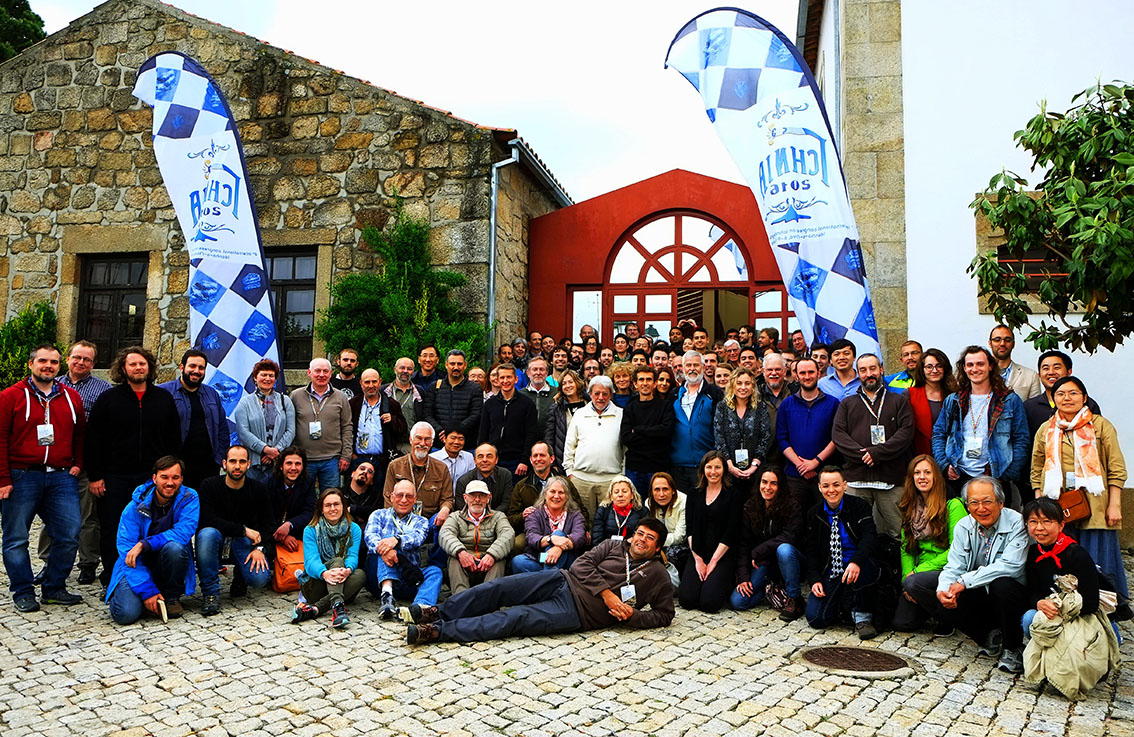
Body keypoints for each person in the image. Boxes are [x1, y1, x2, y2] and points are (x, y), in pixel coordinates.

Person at [404, 519, 674, 644]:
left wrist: (633, 617)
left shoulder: (658, 575)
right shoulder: (613, 546)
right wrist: (608, 595)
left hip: (576, 613)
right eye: (639, 533)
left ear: (658, 546)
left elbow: (665, 615)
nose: (641, 540)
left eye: (649, 538)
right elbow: (581, 564)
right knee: (500, 587)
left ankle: (438, 631)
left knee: (513, 619)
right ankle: (439, 611)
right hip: (560, 580)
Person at [0, 344, 86, 612]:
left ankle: (54, 587)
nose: (48, 366)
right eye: (43, 361)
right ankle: (23, 591)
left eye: (54, 362)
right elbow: (0, 439)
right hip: (22, 475)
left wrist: (78, 464)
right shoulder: (10, 396)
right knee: (16, 538)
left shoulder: (71, 397)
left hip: (61, 478)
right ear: (31, 364)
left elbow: (81, 434)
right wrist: (3, 478)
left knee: (70, 534)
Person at [86, 346, 181, 588]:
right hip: (115, 476)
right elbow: (93, 440)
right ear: (123, 369)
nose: (138, 368)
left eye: (143, 364)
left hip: (152, 479)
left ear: (150, 368)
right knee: (112, 526)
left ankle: (150, 575)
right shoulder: (108, 399)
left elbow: (173, 440)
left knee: (153, 526)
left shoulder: (163, 398)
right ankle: (112, 578)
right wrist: (95, 476)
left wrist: (171, 475)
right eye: (133, 364)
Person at [1030, 375, 1127, 602]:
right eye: (1061, 394)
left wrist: (1115, 504)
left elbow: (1116, 468)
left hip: (1096, 504)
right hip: (1058, 505)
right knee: (1063, 557)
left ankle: (1105, 605)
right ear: (1054, 399)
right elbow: (1036, 469)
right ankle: (1067, 602)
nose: (1067, 398)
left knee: (1097, 559)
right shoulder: (1047, 429)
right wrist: (1040, 505)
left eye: (1073, 393)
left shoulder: (1101, 426)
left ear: (1084, 397)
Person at [1020, 497, 1119, 699]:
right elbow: (1031, 590)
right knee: (1030, 619)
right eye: (1033, 522)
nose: (1040, 528)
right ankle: (1052, 663)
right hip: (1054, 612)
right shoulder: (1033, 552)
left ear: (1061, 524)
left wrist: (1062, 611)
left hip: (1080, 614)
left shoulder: (1076, 554)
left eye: (1047, 521)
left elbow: (1091, 602)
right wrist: (1039, 602)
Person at [936, 476, 1029, 672]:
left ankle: (1013, 648)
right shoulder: (964, 526)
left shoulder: (1017, 523)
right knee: (934, 590)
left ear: (1001, 503)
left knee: (1001, 584)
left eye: (987, 501)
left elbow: (1012, 566)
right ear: (967, 505)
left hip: (1014, 594)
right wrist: (944, 589)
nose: (981, 508)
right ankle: (989, 636)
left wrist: (965, 581)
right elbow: (954, 565)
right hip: (979, 590)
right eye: (974, 503)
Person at [105, 456, 199, 625]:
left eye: (175, 477)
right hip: (136, 565)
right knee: (125, 614)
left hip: (167, 561)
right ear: (154, 478)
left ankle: (171, 597)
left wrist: (144, 544)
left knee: (176, 548)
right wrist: (147, 591)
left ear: (182, 479)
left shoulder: (190, 498)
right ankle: (137, 592)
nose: (170, 483)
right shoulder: (134, 507)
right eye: (164, 477)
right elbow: (127, 550)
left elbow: (183, 533)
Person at [46, 340, 110, 585]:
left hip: (85, 464)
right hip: (54, 463)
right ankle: (49, 562)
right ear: (68, 358)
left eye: (87, 359)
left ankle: (88, 563)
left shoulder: (103, 389)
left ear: (93, 363)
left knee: (88, 517)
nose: (81, 362)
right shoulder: (52, 385)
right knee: (51, 516)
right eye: (77, 357)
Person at [831, 353, 915, 538]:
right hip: (857, 479)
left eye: (873, 368)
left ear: (881, 370)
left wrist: (877, 453)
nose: (868, 374)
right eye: (863, 370)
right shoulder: (847, 403)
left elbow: (905, 434)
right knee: (855, 533)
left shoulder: (899, 401)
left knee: (898, 533)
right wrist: (864, 455)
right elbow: (838, 435)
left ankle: (901, 568)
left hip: (891, 480)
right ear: (858, 374)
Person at [932, 346, 1030, 499]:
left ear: (990, 366)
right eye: (970, 365)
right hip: (959, 476)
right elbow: (938, 434)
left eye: (980, 364)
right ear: (964, 368)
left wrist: (1007, 474)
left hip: (995, 477)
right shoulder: (953, 400)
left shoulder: (1009, 400)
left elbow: (1021, 439)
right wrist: (944, 465)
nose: (975, 369)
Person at [891, 455, 967, 632]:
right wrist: (906, 578)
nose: (922, 477)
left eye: (927, 472)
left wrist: (916, 574)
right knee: (902, 623)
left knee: (914, 583)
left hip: (947, 568)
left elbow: (958, 550)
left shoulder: (953, 505)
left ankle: (949, 618)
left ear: (936, 476)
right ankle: (930, 609)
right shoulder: (910, 506)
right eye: (917, 473)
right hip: (919, 573)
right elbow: (906, 548)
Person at [194, 445, 273, 615]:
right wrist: (243, 530)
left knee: (259, 579)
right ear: (224, 464)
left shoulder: (258, 488)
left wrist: (260, 549)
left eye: (242, 461)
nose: (237, 466)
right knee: (206, 533)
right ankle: (211, 593)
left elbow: (268, 525)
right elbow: (207, 519)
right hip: (215, 540)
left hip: (243, 543)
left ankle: (241, 576)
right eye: (233, 461)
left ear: (248, 464)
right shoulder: (209, 485)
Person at [804, 466, 880, 639]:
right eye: (826, 485)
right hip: (833, 570)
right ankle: (845, 607)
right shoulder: (814, 514)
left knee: (866, 562)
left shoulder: (859, 506)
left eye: (836, 485)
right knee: (816, 618)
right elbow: (812, 550)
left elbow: (870, 537)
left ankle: (862, 617)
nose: (831, 490)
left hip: (858, 566)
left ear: (845, 485)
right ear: (819, 488)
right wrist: (814, 579)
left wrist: (856, 561)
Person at [730, 466, 806, 621]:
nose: (767, 487)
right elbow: (743, 544)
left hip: (790, 560)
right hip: (764, 564)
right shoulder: (750, 507)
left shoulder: (793, 506)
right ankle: (769, 589)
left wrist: (758, 552)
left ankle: (794, 598)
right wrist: (743, 577)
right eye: (764, 482)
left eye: (773, 483)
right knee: (738, 601)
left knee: (784, 549)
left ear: (780, 486)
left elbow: (789, 537)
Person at [364, 479, 442, 618]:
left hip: (408, 577)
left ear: (415, 499)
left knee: (435, 572)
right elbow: (370, 538)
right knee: (384, 542)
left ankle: (420, 608)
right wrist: (388, 548)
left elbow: (417, 539)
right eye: (400, 495)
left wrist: (396, 540)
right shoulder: (378, 514)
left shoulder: (421, 521)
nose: (404, 500)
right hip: (377, 578)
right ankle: (386, 595)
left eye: (409, 496)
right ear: (392, 496)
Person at [678, 451, 743, 613]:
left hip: (722, 554)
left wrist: (713, 561)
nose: (713, 472)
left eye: (717, 467)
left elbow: (731, 531)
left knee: (709, 603)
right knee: (687, 600)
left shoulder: (733, 495)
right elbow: (690, 529)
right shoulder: (694, 493)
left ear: (724, 470)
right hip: (698, 552)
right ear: (703, 469)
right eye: (709, 467)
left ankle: (723, 582)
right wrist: (698, 560)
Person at [292, 488, 365, 628]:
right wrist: (324, 573)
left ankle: (315, 609)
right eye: (328, 505)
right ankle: (338, 607)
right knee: (338, 561)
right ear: (321, 509)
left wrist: (348, 570)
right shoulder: (311, 530)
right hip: (316, 583)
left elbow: (353, 555)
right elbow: (310, 562)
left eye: (336, 504)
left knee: (360, 574)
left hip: (342, 580)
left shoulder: (354, 528)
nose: (333, 508)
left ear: (343, 506)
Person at [157, 349, 227, 490]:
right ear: (182, 367)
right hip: (175, 469)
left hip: (208, 467)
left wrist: (218, 459)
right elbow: (155, 429)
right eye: (192, 366)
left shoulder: (212, 394)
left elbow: (223, 429)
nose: (196, 371)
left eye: (201, 368)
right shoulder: (164, 393)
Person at [776, 357, 839, 512]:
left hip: (824, 474)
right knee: (794, 519)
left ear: (819, 373)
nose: (807, 376)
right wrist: (801, 465)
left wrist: (815, 462)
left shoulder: (833, 403)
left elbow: (837, 438)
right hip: (794, 475)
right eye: (802, 372)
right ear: (796, 375)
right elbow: (781, 438)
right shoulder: (787, 404)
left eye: (811, 372)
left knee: (825, 518)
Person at [563, 376, 625, 518]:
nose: (600, 397)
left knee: (609, 521)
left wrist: (621, 475)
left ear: (611, 394)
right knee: (584, 522)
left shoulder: (621, 415)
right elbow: (570, 445)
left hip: (611, 480)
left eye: (605, 393)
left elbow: (626, 449)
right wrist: (570, 472)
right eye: (596, 393)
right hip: (581, 480)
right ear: (590, 394)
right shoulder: (579, 414)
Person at [439, 479, 514, 594]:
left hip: (488, 564)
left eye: (482, 496)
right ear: (465, 498)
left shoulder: (498, 516)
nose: (477, 500)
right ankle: (461, 601)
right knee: (454, 559)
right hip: (464, 564)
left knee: (499, 560)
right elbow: (445, 534)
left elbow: (508, 534)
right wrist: (461, 552)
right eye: (472, 495)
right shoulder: (455, 517)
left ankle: (488, 601)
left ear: (488, 498)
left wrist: (492, 555)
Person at [290, 357, 353, 491]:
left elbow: (347, 427)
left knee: (331, 497)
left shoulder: (341, 397)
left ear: (330, 374)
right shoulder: (296, 396)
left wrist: (346, 455)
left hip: (331, 459)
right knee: (303, 497)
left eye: (325, 371)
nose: (321, 375)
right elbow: (290, 426)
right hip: (304, 458)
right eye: (317, 371)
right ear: (309, 373)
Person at [382, 422, 454, 535]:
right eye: (418, 438)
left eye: (427, 439)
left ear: (432, 443)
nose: (422, 443)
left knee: (446, 522)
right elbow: (388, 497)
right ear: (410, 439)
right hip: (401, 519)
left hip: (430, 521)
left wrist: (445, 510)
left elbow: (447, 499)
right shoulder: (395, 466)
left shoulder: (441, 468)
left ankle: (432, 553)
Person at [234, 359, 296, 485]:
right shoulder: (244, 403)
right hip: (254, 463)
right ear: (255, 378)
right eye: (263, 375)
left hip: (278, 463)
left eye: (271, 375)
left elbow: (291, 430)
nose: (267, 378)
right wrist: (265, 449)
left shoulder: (285, 401)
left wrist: (276, 451)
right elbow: (243, 432)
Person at [671, 351, 724, 494]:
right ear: (682, 368)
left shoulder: (714, 393)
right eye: (688, 365)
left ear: (703, 366)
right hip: (678, 464)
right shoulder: (674, 394)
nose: (692, 368)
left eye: (696, 365)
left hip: (706, 463)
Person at [620, 366, 675, 495]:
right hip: (634, 468)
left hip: (658, 468)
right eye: (641, 380)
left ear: (655, 383)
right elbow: (626, 438)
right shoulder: (630, 407)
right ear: (635, 383)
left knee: (658, 507)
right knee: (636, 507)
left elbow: (666, 432)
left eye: (649, 379)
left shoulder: (665, 406)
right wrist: (654, 434)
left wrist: (639, 430)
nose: (645, 383)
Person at [348, 367, 407, 488]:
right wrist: (351, 454)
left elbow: (403, 430)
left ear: (380, 382)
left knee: (379, 495)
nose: (371, 385)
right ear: (361, 383)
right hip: (359, 459)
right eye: (367, 382)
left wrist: (393, 420)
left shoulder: (391, 404)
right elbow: (346, 430)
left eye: (374, 382)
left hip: (382, 461)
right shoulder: (353, 404)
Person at [514, 476, 587, 573]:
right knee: (518, 561)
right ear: (545, 494)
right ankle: (550, 578)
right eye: (552, 491)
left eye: (561, 492)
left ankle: (547, 580)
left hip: (567, 559)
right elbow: (531, 537)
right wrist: (551, 539)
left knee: (559, 534)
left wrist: (559, 547)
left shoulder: (575, 514)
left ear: (567, 497)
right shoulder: (534, 513)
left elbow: (579, 537)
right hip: (539, 558)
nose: (556, 496)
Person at [714, 367, 771, 492]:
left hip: (755, 470)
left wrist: (754, 466)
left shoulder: (761, 407)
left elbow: (765, 438)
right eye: (739, 383)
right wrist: (730, 466)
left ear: (753, 386)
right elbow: (719, 438)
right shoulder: (722, 407)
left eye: (747, 383)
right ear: (732, 385)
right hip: (729, 470)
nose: (743, 387)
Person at [1023, 350, 1101, 440]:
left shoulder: (1087, 404)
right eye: (1046, 368)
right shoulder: (1029, 407)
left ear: (1069, 371)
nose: (1051, 372)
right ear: (1039, 375)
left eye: (1057, 367)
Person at [478, 363, 538, 476]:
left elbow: (531, 434)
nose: (505, 381)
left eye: (509, 377)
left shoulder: (527, 404)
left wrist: (524, 461)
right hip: (493, 460)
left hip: (517, 461)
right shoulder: (490, 404)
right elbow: (483, 433)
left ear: (516, 379)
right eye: (502, 377)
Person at [423, 349, 482, 451]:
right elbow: (427, 414)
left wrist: (454, 433)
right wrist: (440, 431)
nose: (456, 367)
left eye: (459, 364)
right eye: (452, 363)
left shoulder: (475, 389)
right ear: (446, 365)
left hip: (466, 446)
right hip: (438, 445)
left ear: (465, 365)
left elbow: (476, 415)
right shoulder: (435, 386)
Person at [266, 447, 318, 556]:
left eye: (298, 464)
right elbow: (264, 516)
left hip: (297, 530)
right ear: (281, 466)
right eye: (289, 463)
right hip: (270, 532)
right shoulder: (269, 483)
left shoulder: (308, 482)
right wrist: (283, 538)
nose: (293, 468)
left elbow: (309, 511)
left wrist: (290, 524)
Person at [907, 349, 956, 457]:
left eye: (939, 366)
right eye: (929, 366)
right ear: (922, 370)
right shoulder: (910, 395)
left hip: (949, 458)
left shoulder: (955, 396)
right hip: (919, 457)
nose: (934, 370)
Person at [644, 471, 688, 584]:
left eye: (665, 489)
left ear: (673, 490)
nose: (661, 494)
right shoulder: (648, 503)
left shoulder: (684, 502)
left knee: (671, 554)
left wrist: (655, 542)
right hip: (656, 543)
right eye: (657, 490)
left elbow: (680, 536)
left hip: (680, 544)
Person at [454, 443, 513, 512]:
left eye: (489, 456)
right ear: (475, 460)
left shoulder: (505, 475)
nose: (484, 460)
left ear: (496, 460)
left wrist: (492, 518)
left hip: (498, 518)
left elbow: (506, 503)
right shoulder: (463, 481)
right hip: (471, 520)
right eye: (480, 456)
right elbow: (461, 508)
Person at [989, 325, 1042, 400]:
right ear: (990, 343)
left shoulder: (1031, 376)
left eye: (1007, 340)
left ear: (1013, 344)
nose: (1002, 344)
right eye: (997, 340)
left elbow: (1034, 408)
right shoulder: (980, 373)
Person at [591, 476, 647, 546]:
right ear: (611, 496)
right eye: (616, 492)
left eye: (624, 491)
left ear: (632, 495)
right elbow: (596, 540)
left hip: (632, 552)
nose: (620, 495)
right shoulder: (603, 511)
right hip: (606, 551)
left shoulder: (642, 512)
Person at [544, 369, 585, 462]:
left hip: (586, 457)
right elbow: (549, 437)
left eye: (570, 382)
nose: (567, 386)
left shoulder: (589, 404)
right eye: (564, 383)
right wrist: (553, 463)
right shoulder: (556, 408)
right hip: (564, 459)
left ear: (577, 383)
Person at [384, 357, 424, 434]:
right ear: (395, 370)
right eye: (402, 368)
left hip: (411, 442)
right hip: (389, 441)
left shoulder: (420, 392)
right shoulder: (384, 391)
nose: (405, 371)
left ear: (413, 372)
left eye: (409, 369)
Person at [519, 356, 555, 436]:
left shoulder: (556, 393)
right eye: (534, 369)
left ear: (546, 373)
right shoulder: (520, 394)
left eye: (541, 369)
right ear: (528, 373)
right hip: (526, 440)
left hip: (550, 439)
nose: (538, 373)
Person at [430, 427, 474, 492]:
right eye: (453, 438)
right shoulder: (432, 458)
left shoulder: (468, 457)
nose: (456, 442)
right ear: (444, 439)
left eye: (461, 439)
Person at [342, 460, 382, 527]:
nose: (365, 472)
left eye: (370, 472)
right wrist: (361, 516)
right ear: (353, 473)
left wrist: (353, 509)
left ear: (372, 481)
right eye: (362, 468)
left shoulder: (377, 498)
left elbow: (377, 513)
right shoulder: (339, 493)